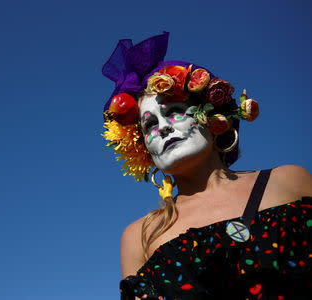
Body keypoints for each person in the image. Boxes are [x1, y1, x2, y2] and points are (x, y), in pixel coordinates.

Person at [101, 32, 312, 300]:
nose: (163, 127)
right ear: (144, 149)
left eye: (173, 111)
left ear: (213, 117)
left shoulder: (289, 181)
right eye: (150, 125)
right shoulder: (139, 236)